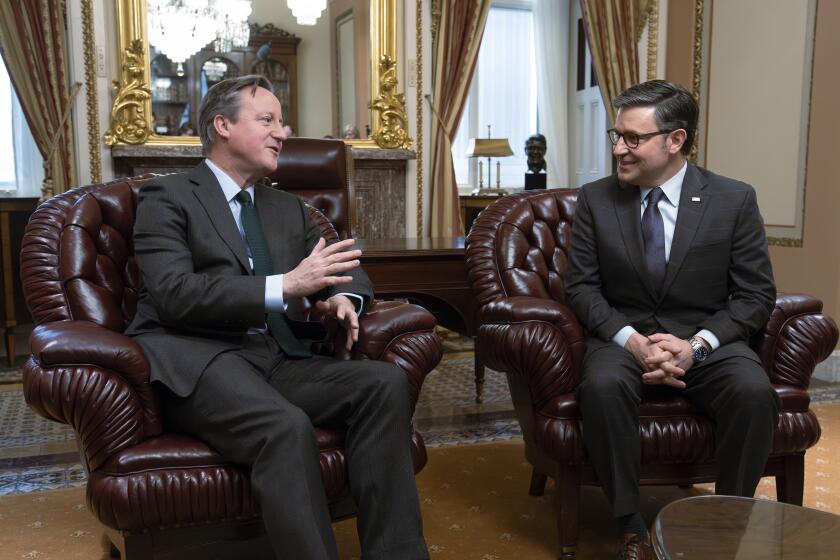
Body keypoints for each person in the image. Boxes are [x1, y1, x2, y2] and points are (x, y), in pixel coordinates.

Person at [125, 75, 428, 560]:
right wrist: (285, 286)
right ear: (222, 125)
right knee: (285, 427)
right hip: (199, 359)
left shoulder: (288, 208)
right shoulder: (168, 197)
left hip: (275, 355)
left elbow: (345, 271)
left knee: (382, 385)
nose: (282, 133)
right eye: (267, 120)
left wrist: (345, 300)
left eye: (281, 122)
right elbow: (174, 295)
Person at [564, 80, 778, 560]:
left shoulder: (733, 199)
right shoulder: (597, 200)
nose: (619, 148)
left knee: (753, 392)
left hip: (704, 341)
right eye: (616, 135)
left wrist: (695, 345)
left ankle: (726, 522)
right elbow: (581, 287)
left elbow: (755, 295)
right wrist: (632, 341)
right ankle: (630, 524)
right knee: (601, 388)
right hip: (623, 338)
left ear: (675, 140)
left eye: (632, 138)